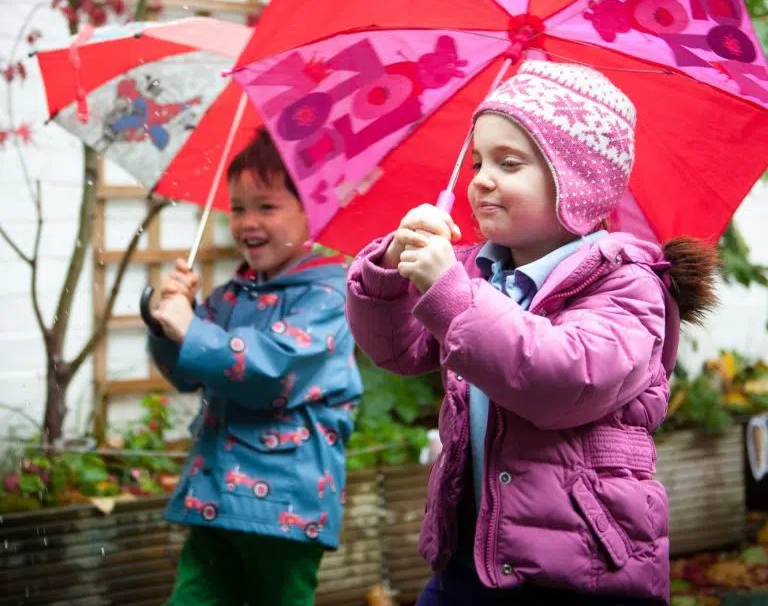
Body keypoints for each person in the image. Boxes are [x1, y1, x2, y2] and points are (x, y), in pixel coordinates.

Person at [346, 60, 718, 605]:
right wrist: (386, 273)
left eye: (510, 162)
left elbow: (563, 379)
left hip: (581, 570)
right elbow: (399, 349)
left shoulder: (627, 286)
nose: (481, 179)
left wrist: (451, 295)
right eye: (477, 161)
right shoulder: (476, 275)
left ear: (579, 182)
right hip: (470, 553)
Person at [148, 128, 363, 606]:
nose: (247, 221)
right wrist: (169, 324)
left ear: (314, 210)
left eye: (266, 206)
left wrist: (193, 331)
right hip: (214, 497)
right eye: (238, 207)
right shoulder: (232, 295)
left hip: (285, 507)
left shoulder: (329, 296)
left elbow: (271, 371)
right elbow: (187, 373)